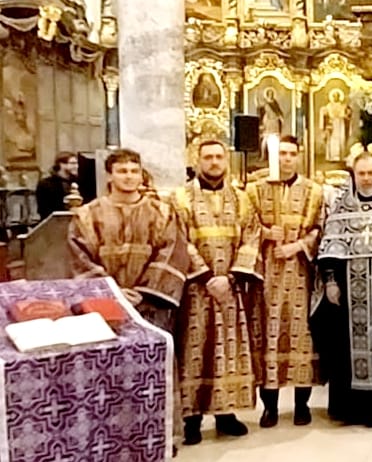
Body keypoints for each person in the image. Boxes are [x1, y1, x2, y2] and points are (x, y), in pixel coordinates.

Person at [311, 152, 372, 427]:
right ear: (353, 176)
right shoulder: (341, 209)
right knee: (345, 347)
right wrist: (330, 281)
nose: (366, 179)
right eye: (361, 173)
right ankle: (349, 408)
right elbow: (328, 249)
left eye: (371, 173)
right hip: (347, 293)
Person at [173, 140, 260, 445]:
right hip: (196, 287)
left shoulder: (241, 198)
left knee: (228, 349)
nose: (213, 162)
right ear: (197, 161)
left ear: (226, 161)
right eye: (208, 157)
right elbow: (179, 239)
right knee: (195, 349)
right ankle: (192, 418)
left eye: (218, 157)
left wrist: (232, 275)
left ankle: (225, 413)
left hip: (230, 288)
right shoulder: (180, 198)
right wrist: (207, 275)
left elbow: (252, 236)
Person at [244, 135, 323, 428]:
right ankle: (270, 406)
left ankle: (302, 405)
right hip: (267, 274)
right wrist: (265, 233)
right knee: (269, 336)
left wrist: (298, 246)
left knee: (302, 337)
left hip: (301, 273)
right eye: (282, 154)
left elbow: (320, 228)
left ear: (299, 156)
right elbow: (244, 224)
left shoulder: (314, 191)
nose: (287, 158)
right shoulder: (254, 190)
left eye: (292, 153)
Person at [68, 148, 189, 331]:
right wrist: (113, 291)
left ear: (141, 176)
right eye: (122, 171)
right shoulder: (87, 215)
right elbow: (80, 259)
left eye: (134, 171)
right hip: (104, 305)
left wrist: (144, 293)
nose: (129, 177)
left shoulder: (162, 213)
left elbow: (172, 253)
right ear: (109, 176)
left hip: (149, 304)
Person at [36, 151, 78, 219]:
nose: (76, 166)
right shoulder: (46, 184)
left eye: (77, 163)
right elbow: (44, 209)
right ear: (62, 164)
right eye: (72, 163)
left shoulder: (78, 182)